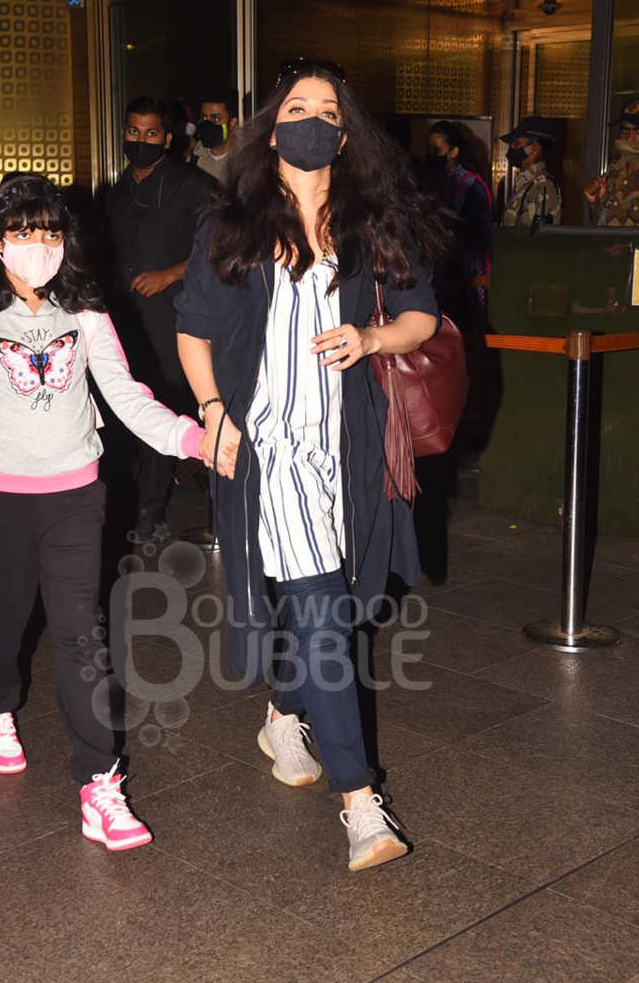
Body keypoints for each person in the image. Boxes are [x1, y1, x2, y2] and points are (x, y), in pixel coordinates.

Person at [176, 59, 447, 872]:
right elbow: (194, 329)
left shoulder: (373, 222)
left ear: (346, 130)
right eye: (298, 106)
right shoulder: (233, 224)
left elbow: (423, 317)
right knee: (325, 610)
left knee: (341, 602)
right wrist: (214, 413)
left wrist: (371, 337)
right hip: (268, 449)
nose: (313, 120)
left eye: (329, 109)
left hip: (348, 446)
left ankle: (284, 710)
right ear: (270, 125)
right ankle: (361, 803)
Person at [0, 173, 205, 851]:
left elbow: (126, 394)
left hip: (77, 497)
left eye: (51, 232)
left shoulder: (84, 310)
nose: (39, 245)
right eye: (24, 232)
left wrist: (190, 438)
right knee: (2, 626)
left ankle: (99, 785)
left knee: (82, 638)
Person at [106, 97, 215, 538]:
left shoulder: (193, 186)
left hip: (174, 316)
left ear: (167, 140)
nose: (141, 141)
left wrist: (171, 273)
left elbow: (220, 246)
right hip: (123, 317)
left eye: (151, 134)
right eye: (134, 132)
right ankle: (132, 502)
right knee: (124, 405)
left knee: (162, 403)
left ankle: (153, 510)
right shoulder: (114, 193)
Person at [425, 119, 492, 323]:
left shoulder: (471, 185)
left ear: (453, 152)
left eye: (437, 150)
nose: (431, 155)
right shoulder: (433, 183)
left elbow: (480, 236)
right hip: (438, 273)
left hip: (464, 277)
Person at [584, 96, 639, 227]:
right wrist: (594, 205)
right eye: (625, 130)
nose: (630, 139)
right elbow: (601, 232)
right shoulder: (611, 177)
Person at [500, 116, 561, 228]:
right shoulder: (525, 182)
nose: (512, 149)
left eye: (517, 144)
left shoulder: (542, 184)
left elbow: (539, 237)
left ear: (535, 148)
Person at [191, 92, 239, 187]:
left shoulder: (246, 160)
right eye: (204, 117)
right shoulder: (195, 156)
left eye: (216, 118)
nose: (208, 124)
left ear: (233, 123)